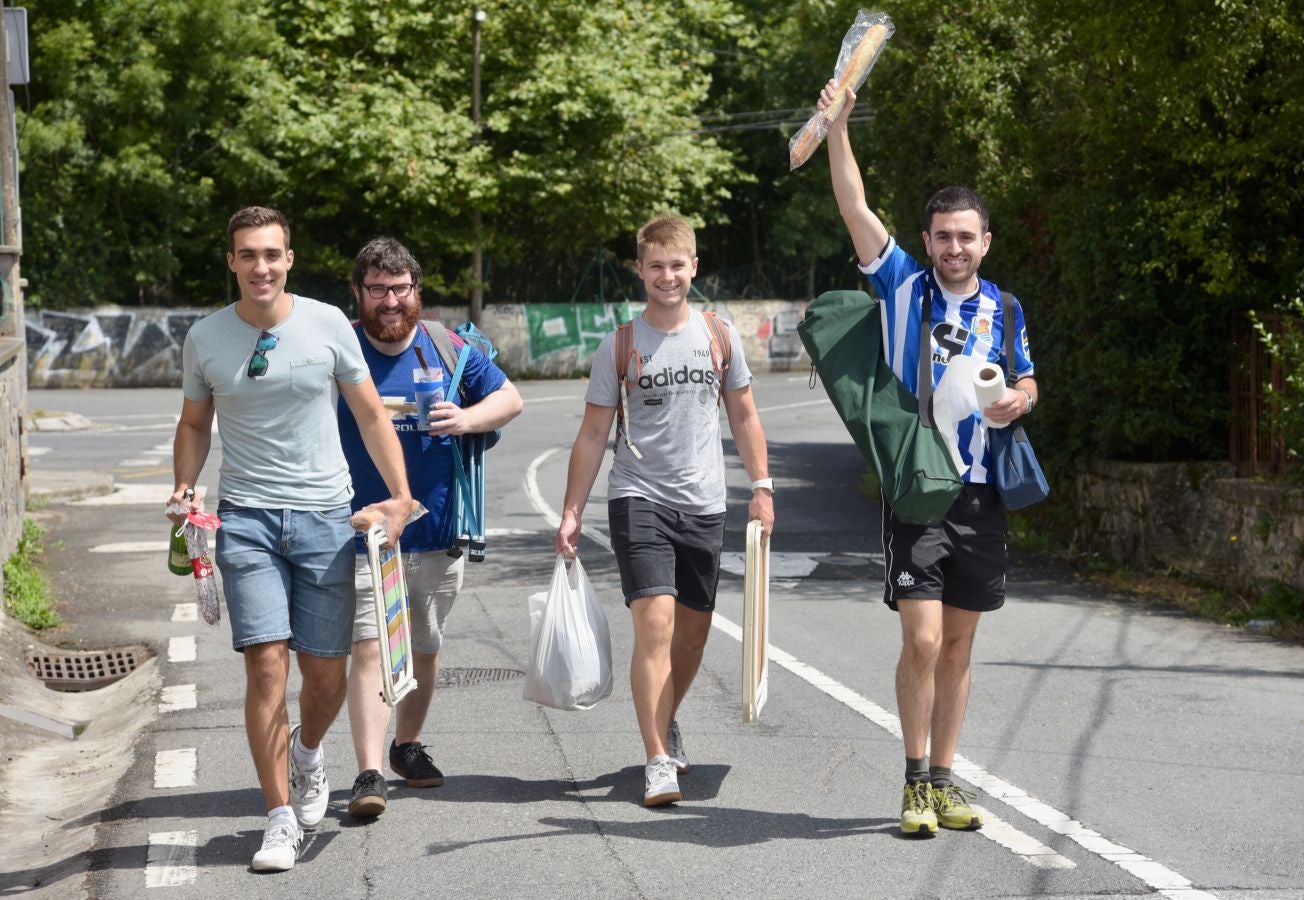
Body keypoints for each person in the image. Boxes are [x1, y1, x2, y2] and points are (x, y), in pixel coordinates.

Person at [820, 79, 1039, 836]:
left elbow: (1026, 378)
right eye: (942, 235)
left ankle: (946, 780)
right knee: (920, 636)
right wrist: (838, 127)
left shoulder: (1004, 308)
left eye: (965, 236)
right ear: (930, 240)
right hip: (918, 488)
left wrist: (1021, 399)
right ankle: (914, 781)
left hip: (983, 493)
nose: (953, 247)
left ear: (986, 242)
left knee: (959, 642)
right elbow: (855, 208)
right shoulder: (904, 285)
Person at [166, 207, 416, 872]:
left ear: (290, 258)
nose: (260, 267)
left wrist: (399, 495)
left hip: (325, 520)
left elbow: (368, 414)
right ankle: (278, 818)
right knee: (266, 664)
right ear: (231, 261)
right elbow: (194, 425)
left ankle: (308, 752)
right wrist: (188, 488)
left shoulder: (329, 324)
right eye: (248, 255)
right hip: (246, 519)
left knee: (326, 676)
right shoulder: (207, 338)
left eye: (271, 254)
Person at [555, 214, 775, 806]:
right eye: (656, 266)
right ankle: (656, 758)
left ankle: (666, 718)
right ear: (641, 270)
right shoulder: (620, 345)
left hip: (704, 502)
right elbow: (593, 433)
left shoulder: (719, 336)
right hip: (638, 496)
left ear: (694, 267)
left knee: (693, 637)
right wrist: (573, 510)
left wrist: (762, 485)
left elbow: (745, 415)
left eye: (677, 265)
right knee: (655, 622)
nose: (667, 276)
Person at [337, 237, 522, 819]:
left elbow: (510, 399)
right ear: (358, 292)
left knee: (423, 643)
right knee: (370, 644)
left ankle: (406, 747)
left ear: (416, 289)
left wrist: (466, 417)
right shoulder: (339, 350)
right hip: (364, 533)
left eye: (400, 289)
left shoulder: (448, 348)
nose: (390, 301)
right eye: (378, 290)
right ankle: (368, 771)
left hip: (440, 528)